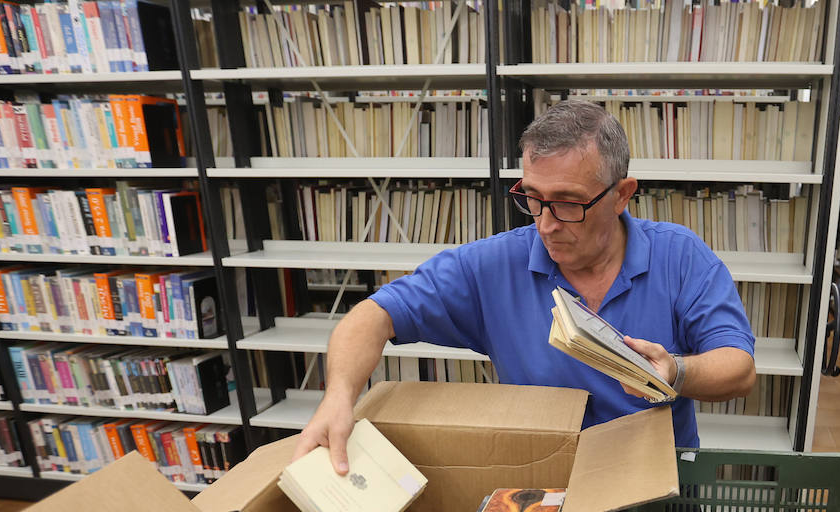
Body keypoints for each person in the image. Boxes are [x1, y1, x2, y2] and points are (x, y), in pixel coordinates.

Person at [291, 99, 756, 471]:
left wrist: (675, 371)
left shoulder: (680, 255)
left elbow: (739, 368)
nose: (547, 224)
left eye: (568, 203)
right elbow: (371, 317)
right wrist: (338, 398)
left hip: (659, 482)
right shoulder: (494, 265)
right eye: (533, 199)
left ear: (621, 195)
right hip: (545, 481)